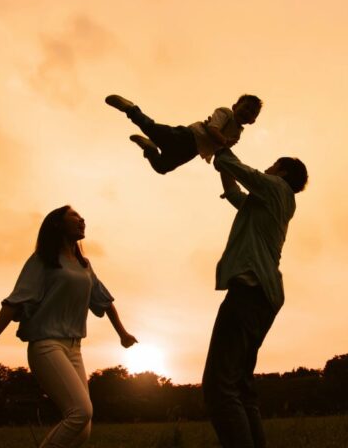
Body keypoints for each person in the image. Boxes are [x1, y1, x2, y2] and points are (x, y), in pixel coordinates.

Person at [0, 205, 137, 448]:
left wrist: (123, 334)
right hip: (46, 345)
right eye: (74, 215)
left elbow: (104, 301)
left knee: (83, 431)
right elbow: (14, 302)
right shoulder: (43, 261)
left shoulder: (84, 264)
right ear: (56, 224)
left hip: (75, 348)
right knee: (80, 412)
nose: (81, 218)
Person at [202, 148, 308, 448]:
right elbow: (234, 189)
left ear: (283, 172)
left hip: (250, 289)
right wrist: (221, 164)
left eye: (273, 165)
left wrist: (219, 144)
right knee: (240, 386)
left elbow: (242, 171)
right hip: (263, 295)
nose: (268, 167)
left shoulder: (276, 187)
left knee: (219, 387)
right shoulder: (265, 203)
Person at [105, 93, 262, 174]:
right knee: (151, 128)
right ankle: (130, 109)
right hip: (188, 137)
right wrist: (224, 141)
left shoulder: (238, 132)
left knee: (162, 167)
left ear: (253, 120)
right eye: (246, 107)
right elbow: (213, 129)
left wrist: (223, 159)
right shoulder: (225, 113)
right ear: (235, 106)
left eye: (252, 112)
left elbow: (223, 149)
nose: (248, 112)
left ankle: (150, 149)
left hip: (193, 151)